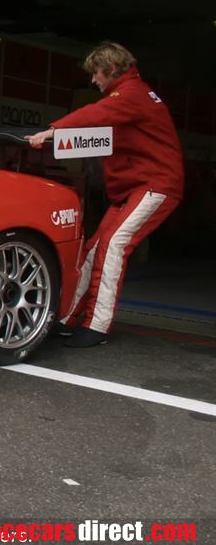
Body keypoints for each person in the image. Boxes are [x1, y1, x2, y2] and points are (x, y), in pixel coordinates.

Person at [26, 41, 183, 348]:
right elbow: (98, 125)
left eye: (96, 72)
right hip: (135, 188)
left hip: (156, 185)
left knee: (113, 245)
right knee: (94, 249)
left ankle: (96, 326)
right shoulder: (130, 95)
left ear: (111, 69)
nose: (93, 79)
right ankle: (66, 318)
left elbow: (96, 114)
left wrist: (53, 131)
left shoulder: (131, 95)